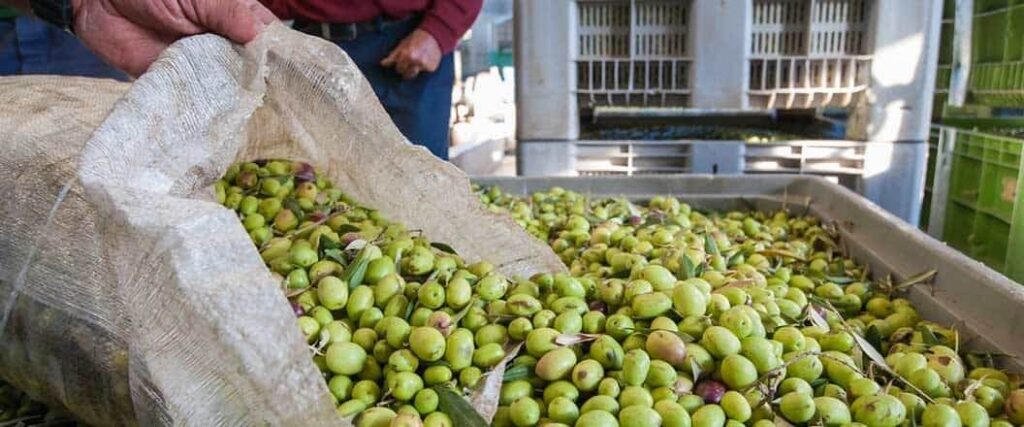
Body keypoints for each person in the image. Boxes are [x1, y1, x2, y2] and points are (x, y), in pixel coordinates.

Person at [1, 0, 481, 161]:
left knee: (414, 160)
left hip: (405, 45)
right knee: (315, 164)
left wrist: (438, 32)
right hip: (314, 43)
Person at [264, 1, 483, 160]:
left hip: (406, 48)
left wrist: (439, 30)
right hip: (304, 44)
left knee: (420, 191)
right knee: (307, 189)